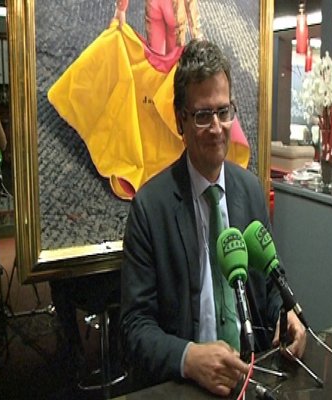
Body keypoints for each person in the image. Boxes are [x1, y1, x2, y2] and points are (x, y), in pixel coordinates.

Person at [120, 38, 307, 396]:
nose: (218, 127)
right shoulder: (150, 208)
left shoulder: (250, 191)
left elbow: (270, 286)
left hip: (252, 376)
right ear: (181, 120)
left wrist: (287, 316)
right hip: (187, 385)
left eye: (224, 111)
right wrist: (188, 357)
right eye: (203, 115)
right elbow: (134, 327)